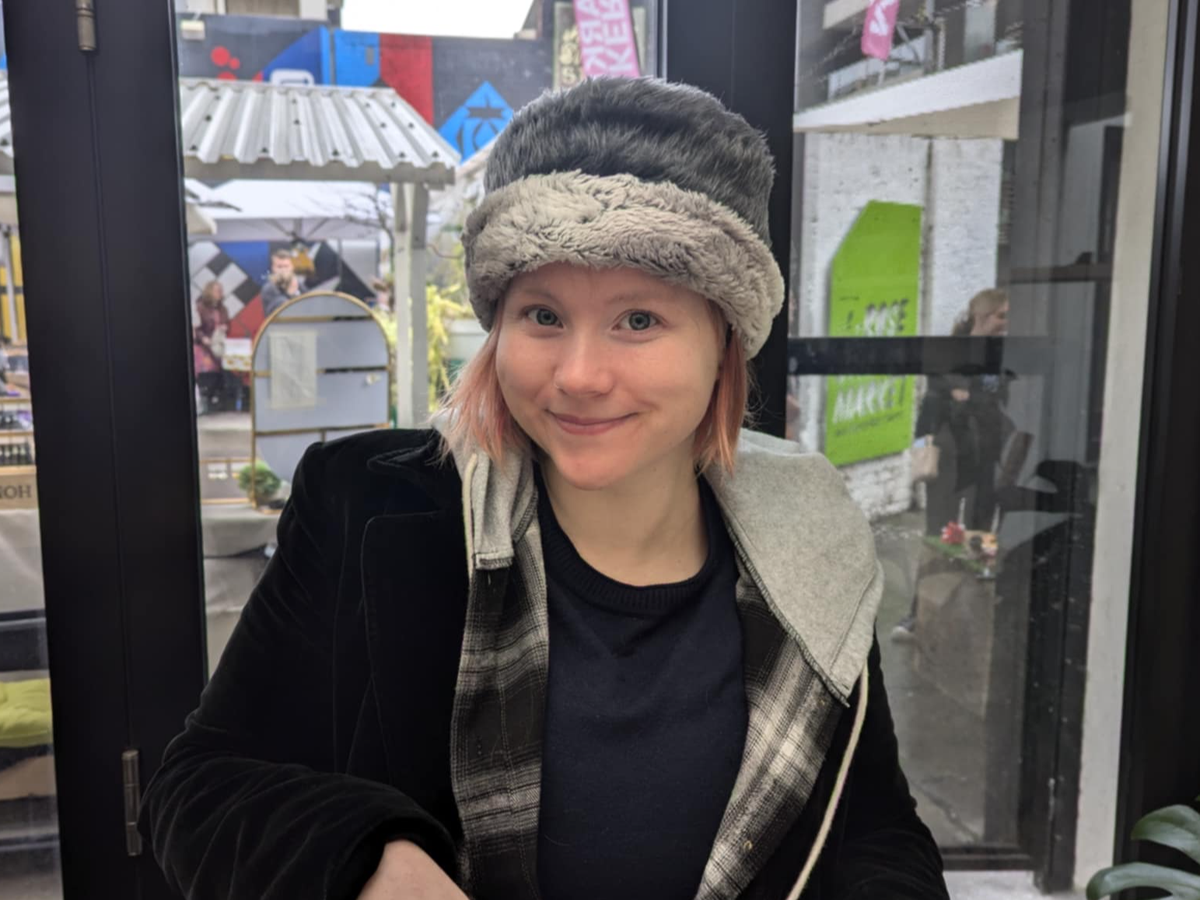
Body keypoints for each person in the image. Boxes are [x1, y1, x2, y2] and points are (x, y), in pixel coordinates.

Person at [141, 78, 948, 900]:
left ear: (725, 342)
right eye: (543, 316)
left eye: (639, 320)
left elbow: (875, 830)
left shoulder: (809, 538)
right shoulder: (368, 510)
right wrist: (365, 859)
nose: (580, 375)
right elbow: (199, 785)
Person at [893, 288, 1027, 641]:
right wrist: (922, 449)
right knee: (939, 534)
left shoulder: (1002, 355)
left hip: (986, 459)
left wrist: (969, 399)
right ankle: (918, 613)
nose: (1006, 323)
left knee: (981, 534)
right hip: (950, 460)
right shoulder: (949, 352)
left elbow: (1000, 402)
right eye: (1001, 316)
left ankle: (973, 614)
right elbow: (932, 404)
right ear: (981, 315)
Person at [192, 281, 231, 413]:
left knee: (220, 371)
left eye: (220, 290)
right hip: (203, 345)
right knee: (207, 369)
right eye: (216, 290)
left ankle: (214, 400)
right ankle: (204, 399)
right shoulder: (200, 307)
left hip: (217, 344)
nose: (219, 293)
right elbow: (196, 327)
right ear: (209, 291)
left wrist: (224, 328)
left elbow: (227, 323)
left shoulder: (223, 308)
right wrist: (203, 338)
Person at [260, 247, 304, 317]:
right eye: (279, 267)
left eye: (286, 266)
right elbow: (282, 310)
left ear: (292, 267)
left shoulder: (299, 283)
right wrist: (291, 294)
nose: (283, 270)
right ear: (273, 268)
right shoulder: (269, 288)